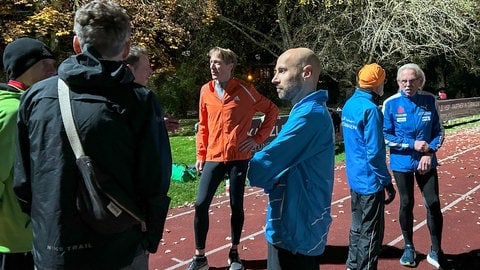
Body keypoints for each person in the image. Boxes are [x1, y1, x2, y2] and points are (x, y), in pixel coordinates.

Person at [13, 1, 172, 269]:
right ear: (124, 49)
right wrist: (146, 236)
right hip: (118, 246)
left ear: (77, 44)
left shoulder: (35, 96)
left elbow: (23, 181)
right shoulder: (138, 101)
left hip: (54, 248)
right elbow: (155, 178)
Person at [187, 47, 279, 270]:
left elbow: (272, 110)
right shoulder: (205, 91)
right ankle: (200, 257)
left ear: (230, 65)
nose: (213, 66)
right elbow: (203, 125)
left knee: (236, 205)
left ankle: (234, 252)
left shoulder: (246, 90)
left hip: (239, 156)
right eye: (211, 62)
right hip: (214, 156)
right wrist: (201, 154)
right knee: (200, 204)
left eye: (218, 62)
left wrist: (257, 139)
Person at [247, 47, 335, 270]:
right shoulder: (306, 111)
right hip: (293, 222)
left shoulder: (309, 116)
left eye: (282, 71)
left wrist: (240, 163)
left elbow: (262, 167)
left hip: (296, 229)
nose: (274, 79)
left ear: (306, 73)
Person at [0, 37, 56, 270]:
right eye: (47, 66)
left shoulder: (25, 105)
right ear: (25, 68)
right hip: (15, 244)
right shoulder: (14, 112)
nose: (54, 72)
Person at [382, 63, 445, 269]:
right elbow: (385, 136)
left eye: (412, 80)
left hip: (427, 161)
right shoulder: (390, 103)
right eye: (403, 81)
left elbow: (439, 131)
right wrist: (411, 144)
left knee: (433, 203)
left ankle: (436, 250)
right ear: (398, 82)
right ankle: (408, 247)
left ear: (420, 81)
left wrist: (429, 151)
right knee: (406, 203)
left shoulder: (429, 100)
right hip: (402, 163)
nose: (407, 85)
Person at [341, 63, 396, 270]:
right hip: (369, 181)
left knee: (356, 227)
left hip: (354, 177)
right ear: (377, 83)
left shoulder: (349, 105)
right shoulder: (371, 110)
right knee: (371, 233)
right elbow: (374, 153)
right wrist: (386, 182)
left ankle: (352, 264)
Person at [125, 45, 180, 132]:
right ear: (130, 70)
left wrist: (160, 124)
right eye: (146, 68)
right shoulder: (142, 97)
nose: (150, 71)